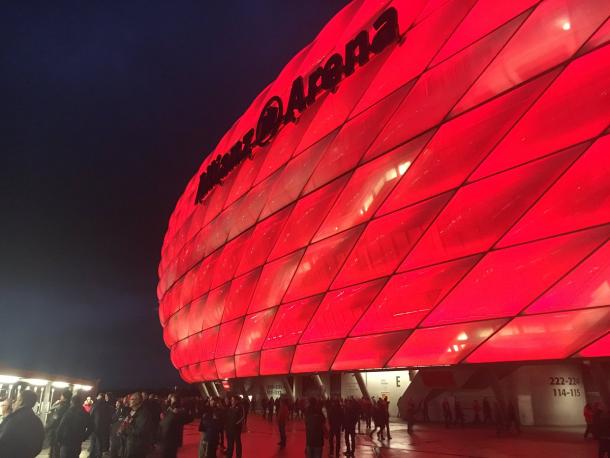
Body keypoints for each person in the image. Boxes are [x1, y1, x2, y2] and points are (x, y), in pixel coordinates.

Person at [0, 390, 45, 457]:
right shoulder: (37, 421)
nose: (14, 402)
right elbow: (38, 445)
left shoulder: (13, 419)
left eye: (17, 400)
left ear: (21, 401)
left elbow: (3, 440)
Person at [121, 392, 155, 458]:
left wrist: (125, 429)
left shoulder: (144, 414)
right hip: (130, 445)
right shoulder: (133, 411)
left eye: (132, 399)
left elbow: (139, 431)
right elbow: (128, 423)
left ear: (137, 401)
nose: (129, 401)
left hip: (137, 448)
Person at [46, 389, 72, 458]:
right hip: (66, 434)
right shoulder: (71, 406)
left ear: (64, 397)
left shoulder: (62, 407)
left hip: (57, 432)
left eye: (61, 395)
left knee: (55, 452)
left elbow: (54, 419)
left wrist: (46, 428)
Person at [89, 392, 113, 458]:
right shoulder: (108, 406)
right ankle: (99, 455)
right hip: (105, 428)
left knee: (94, 444)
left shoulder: (95, 404)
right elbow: (110, 418)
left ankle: (92, 456)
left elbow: (90, 416)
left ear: (99, 396)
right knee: (100, 444)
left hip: (95, 428)